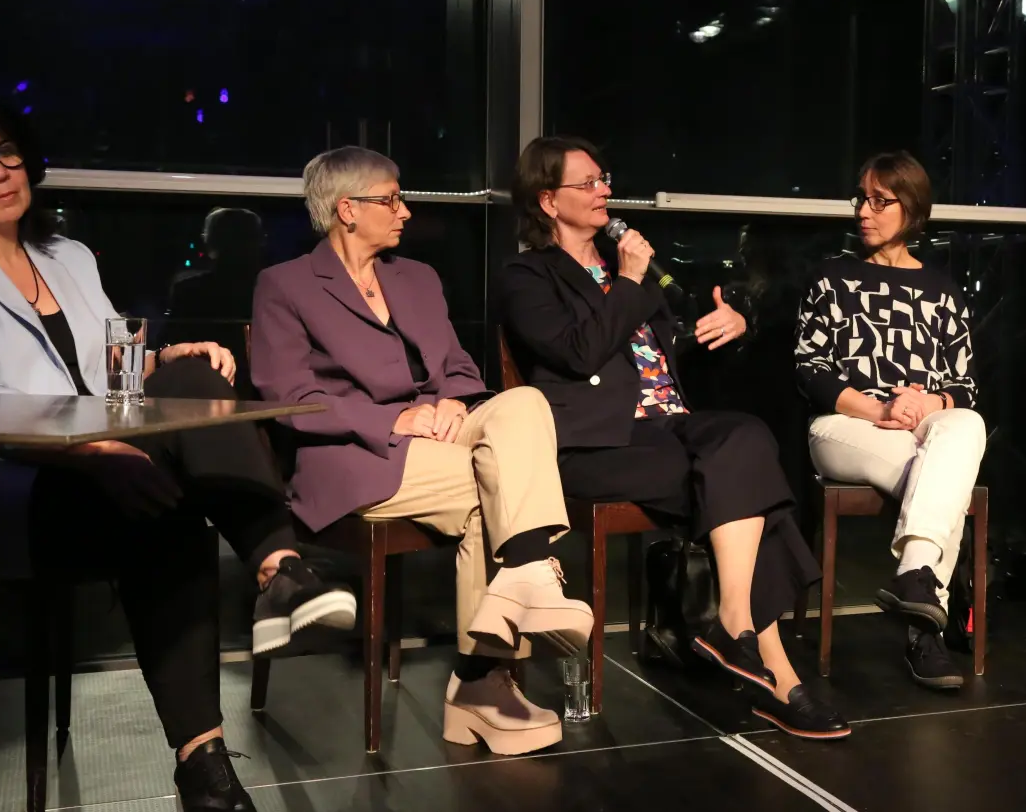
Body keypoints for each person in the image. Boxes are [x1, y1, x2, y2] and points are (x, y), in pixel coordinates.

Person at [0, 94, 357, 811]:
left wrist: (167, 358)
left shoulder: (65, 255)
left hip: (96, 462)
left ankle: (273, 581)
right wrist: (93, 454)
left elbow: (109, 372)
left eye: (8, 152)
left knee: (195, 385)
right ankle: (214, 744)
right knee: (164, 516)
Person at [499, 136, 848, 740]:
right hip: (597, 447)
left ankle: (736, 627)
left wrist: (729, 328)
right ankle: (781, 680)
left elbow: (659, 358)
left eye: (603, 177)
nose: (604, 189)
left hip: (669, 429)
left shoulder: (622, 271)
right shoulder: (528, 276)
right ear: (549, 201)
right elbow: (579, 351)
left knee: (745, 437)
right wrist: (630, 282)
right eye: (588, 183)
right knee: (748, 487)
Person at [248, 146, 592, 756]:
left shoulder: (417, 278)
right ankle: (484, 678)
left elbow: (458, 366)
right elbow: (289, 395)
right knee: (496, 487)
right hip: (355, 455)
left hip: (442, 434)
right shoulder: (286, 285)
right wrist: (398, 418)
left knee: (524, 405)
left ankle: (521, 585)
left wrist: (456, 402)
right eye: (392, 199)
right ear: (346, 210)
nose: (405, 211)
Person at [792, 151, 987, 690]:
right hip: (843, 426)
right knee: (944, 476)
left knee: (967, 425)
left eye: (881, 201)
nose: (864, 211)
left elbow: (964, 387)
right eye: (861, 198)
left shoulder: (944, 291)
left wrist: (931, 404)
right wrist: (880, 408)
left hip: (922, 426)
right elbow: (810, 370)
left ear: (913, 211)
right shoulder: (833, 278)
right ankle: (927, 629)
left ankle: (916, 584)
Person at [162, 206, 267, 394]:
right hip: (202, 390)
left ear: (210, 243)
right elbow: (170, 349)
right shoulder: (188, 291)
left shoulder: (188, 290)